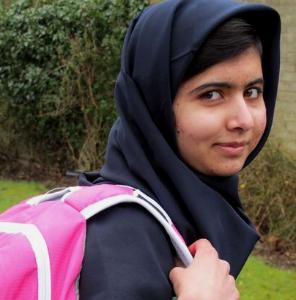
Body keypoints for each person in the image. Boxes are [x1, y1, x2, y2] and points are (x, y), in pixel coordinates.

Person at [78, 0, 281, 299]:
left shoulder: (179, 210)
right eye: (212, 95)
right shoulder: (120, 240)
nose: (244, 120)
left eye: (252, 92)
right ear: (154, 105)